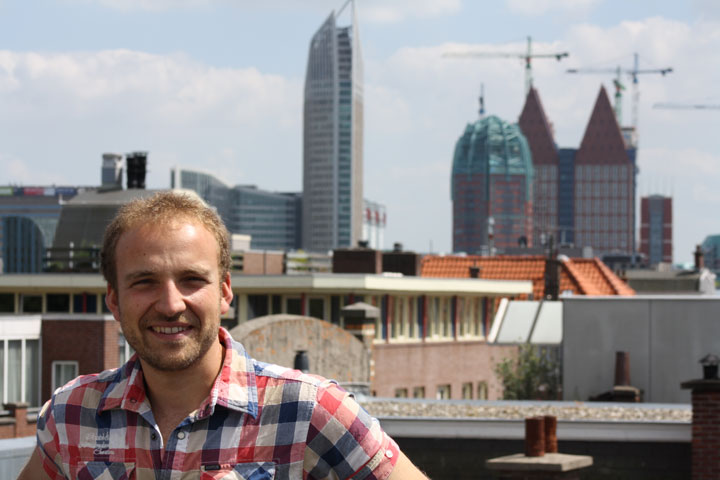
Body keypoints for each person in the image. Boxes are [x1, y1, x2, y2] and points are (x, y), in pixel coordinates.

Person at [18, 191, 427, 480]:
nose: (170, 304)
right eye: (144, 282)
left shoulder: (310, 411)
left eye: (192, 279)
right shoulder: (71, 415)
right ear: (114, 300)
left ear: (225, 291)